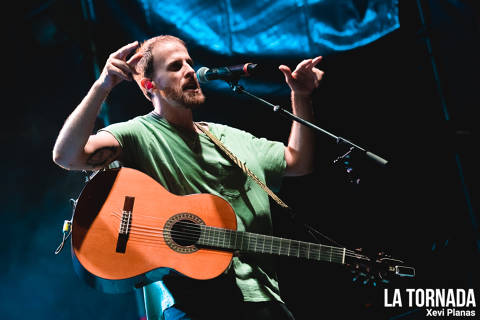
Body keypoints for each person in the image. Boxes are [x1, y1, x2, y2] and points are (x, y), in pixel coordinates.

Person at [52, 35, 324, 320]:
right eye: (175, 66)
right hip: (193, 305)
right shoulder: (136, 134)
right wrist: (103, 85)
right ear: (149, 86)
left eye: (190, 63)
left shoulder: (228, 137)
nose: (190, 70)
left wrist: (301, 97)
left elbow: (299, 161)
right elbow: (67, 157)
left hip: (262, 298)